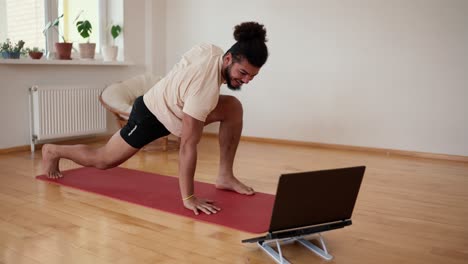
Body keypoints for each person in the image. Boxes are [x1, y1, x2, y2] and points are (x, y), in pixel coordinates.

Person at [42, 21, 269, 215]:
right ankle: (53, 151)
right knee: (103, 160)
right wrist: (189, 197)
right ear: (228, 59)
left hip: (173, 108)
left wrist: (178, 93)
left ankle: (225, 176)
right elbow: (188, 146)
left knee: (232, 107)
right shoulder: (203, 90)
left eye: (252, 76)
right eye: (243, 73)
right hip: (150, 115)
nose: (247, 80)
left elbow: (183, 66)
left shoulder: (211, 50)